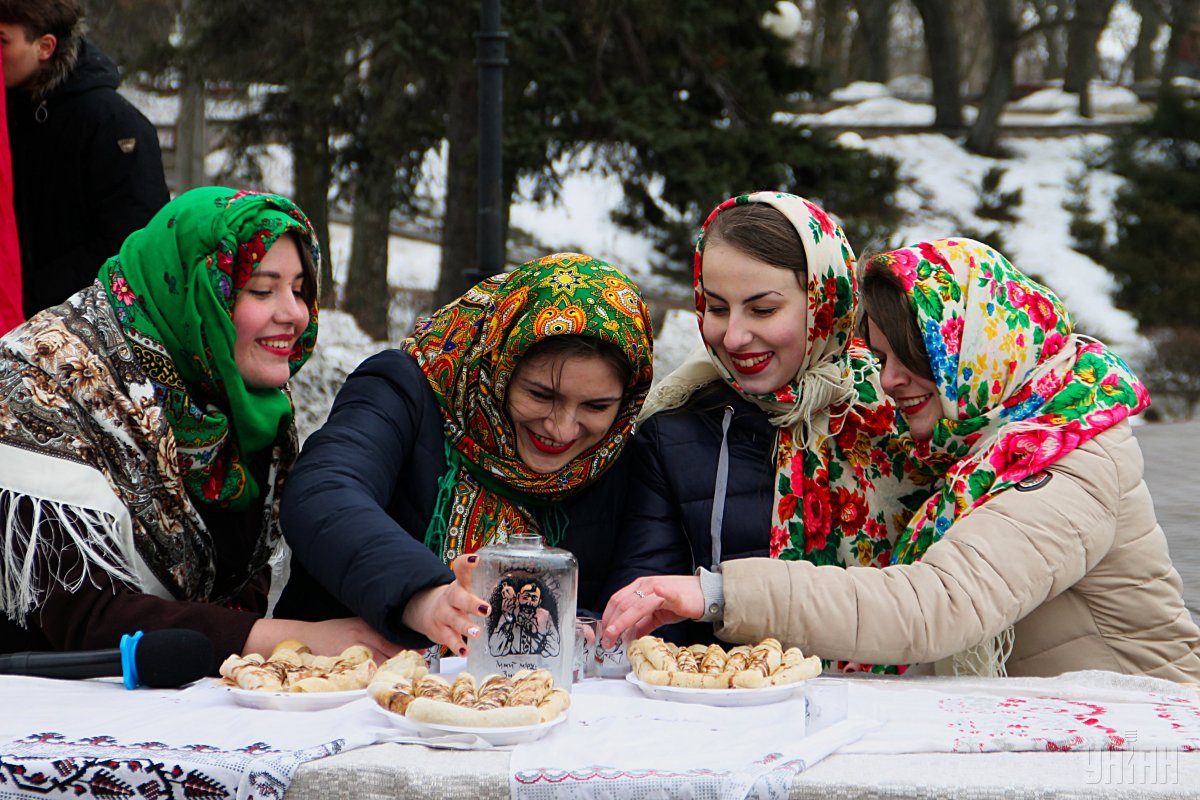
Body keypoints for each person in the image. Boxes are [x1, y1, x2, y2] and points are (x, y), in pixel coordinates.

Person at [603, 237, 1200, 683]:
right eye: (880, 357)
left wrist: (718, 595)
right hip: (1065, 722)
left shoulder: (1070, 454)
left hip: (1145, 735)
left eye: (914, 357)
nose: (887, 382)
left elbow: (936, 604)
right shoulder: (980, 434)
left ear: (976, 350)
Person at [0, 187, 396, 666]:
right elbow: (83, 615)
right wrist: (289, 639)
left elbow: (241, 580)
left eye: (300, 289)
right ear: (193, 291)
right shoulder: (43, 385)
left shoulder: (237, 393)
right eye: (263, 289)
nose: (293, 314)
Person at [277, 253, 654, 658]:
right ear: (498, 363)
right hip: (338, 688)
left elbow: (633, 592)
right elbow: (323, 492)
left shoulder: (618, 456)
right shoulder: (403, 389)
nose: (562, 429)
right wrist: (422, 593)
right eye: (540, 395)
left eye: (596, 407)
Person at [599, 192, 927, 647]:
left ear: (824, 303)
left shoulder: (903, 412)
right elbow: (646, 613)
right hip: (736, 704)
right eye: (716, 307)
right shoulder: (673, 432)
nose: (733, 336)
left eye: (763, 309)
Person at [0, 0, 169, 317]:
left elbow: (131, 243)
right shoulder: (12, 109)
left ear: (45, 47)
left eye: (2, 41)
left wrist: (34, 295)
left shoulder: (113, 124)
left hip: (75, 328)